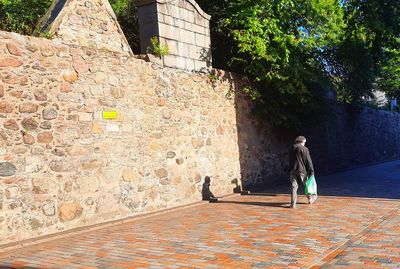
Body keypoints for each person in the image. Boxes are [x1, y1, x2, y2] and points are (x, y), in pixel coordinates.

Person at [289, 136, 317, 208]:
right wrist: (311, 171)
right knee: (306, 185)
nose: (305, 144)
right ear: (302, 141)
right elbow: (308, 161)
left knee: (293, 186)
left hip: (293, 169)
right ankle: (310, 198)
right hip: (302, 170)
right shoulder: (304, 149)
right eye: (304, 142)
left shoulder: (292, 148)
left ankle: (293, 203)